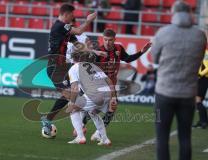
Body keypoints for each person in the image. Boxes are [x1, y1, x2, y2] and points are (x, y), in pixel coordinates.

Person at [151, 1, 207, 160]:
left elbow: (154, 57)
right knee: (185, 137)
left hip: (164, 92)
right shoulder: (199, 35)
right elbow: (200, 59)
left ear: (173, 13)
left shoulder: (163, 32)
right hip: (188, 93)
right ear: (190, 13)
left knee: (162, 138)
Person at [81, 29, 151, 141]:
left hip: (111, 86)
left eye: (110, 40)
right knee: (95, 109)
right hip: (98, 86)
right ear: (102, 39)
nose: (107, 42)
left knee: (112, 107)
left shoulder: (118, 48)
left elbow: (128, 59)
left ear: (115, 39)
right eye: (105, 40)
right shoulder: (98, 51)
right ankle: (83, 125)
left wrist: (142, 51)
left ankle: (98, 132)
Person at [40, 3, 97, 137]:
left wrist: (94, 51)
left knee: (73, 94)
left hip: (63, 67)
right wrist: (89, 20)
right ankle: (77, 126)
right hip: (55, 68)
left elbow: (78, 44)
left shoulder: (65, 27)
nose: (73, 17)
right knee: (71, 95)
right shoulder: (58, 27)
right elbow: (79, 31)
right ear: (66, 14)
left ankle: (50, 119)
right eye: (72, 15)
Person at [67, 51, 116, 145]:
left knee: (72, 109)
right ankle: (105, 139)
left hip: (95, 94)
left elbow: (75, 88)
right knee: (92, 112)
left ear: (73, 60)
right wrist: (113, 97)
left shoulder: (74, 68)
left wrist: (72, 102)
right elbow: (109, 81)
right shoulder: (94, 66)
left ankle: (80, 137)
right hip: (107, 94)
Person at [193, 51, 208, 129]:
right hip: (201, 79)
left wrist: (199, 74)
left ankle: (203, 121)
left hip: (203, 79)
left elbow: (207, 67)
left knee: (197, 100)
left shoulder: (206, 53)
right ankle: (203, 120)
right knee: (198, 101)